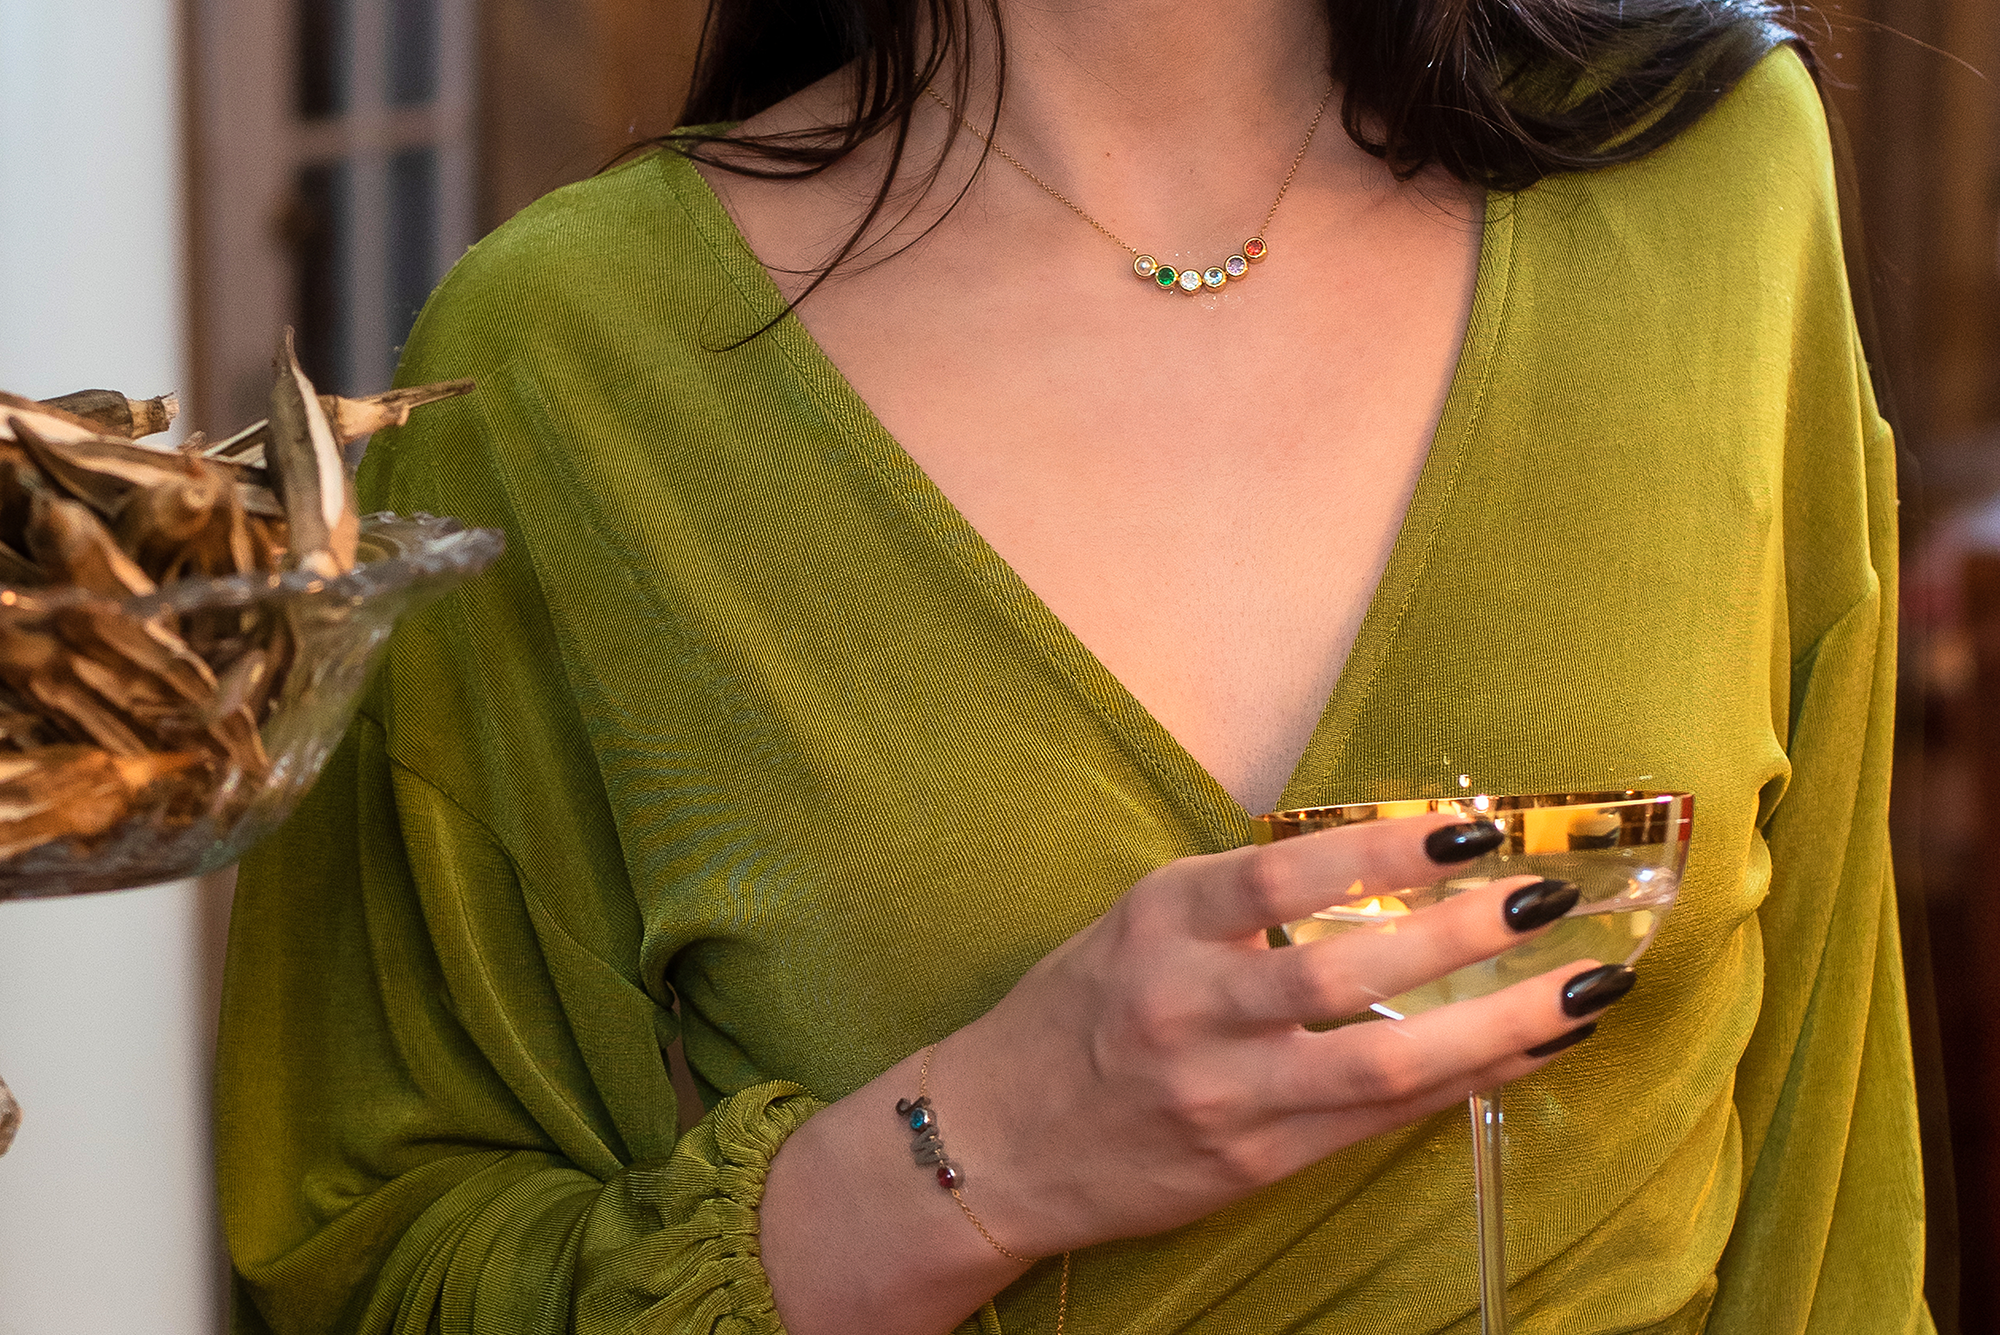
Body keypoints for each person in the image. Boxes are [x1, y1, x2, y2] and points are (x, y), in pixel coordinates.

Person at [215, 0, 1931, 1330]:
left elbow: (1829, 1195)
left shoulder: (1713, 179)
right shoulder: (552, 373)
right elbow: (373, 1259)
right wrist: (983, 1155)